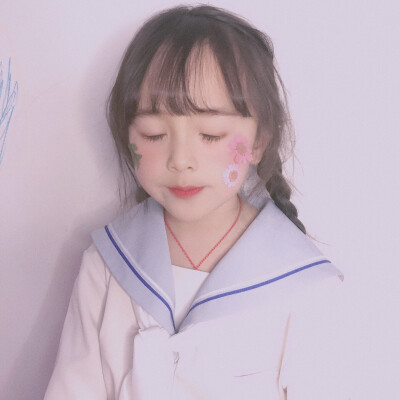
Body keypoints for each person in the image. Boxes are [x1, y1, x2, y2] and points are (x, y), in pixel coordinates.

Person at [44, 5, 348, 399]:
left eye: (211, 135)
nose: (181, 160)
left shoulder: (304, 287)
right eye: (154, 134)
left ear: (259, 140)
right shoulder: (106, 264)